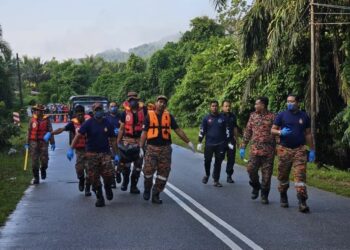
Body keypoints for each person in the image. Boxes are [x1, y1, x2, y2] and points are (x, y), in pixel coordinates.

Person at [139, 95, 195, 204]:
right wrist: (141, 147)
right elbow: (144, 133)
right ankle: (147, 188)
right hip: (151, 148)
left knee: (163, 173)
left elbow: (178, 130)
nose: (162, 104)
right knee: (148, 171)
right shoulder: (149, 116)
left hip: (165, 149)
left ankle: (156, 194)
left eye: (164, 102)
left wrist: (188, 142)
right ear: (156, 103)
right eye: (160, 102)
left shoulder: (169, 116)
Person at [271, 94, 315, 213]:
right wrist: (280, 132)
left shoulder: (304, 116)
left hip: (299, 150)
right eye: (288, 101)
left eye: (292, 101)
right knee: (283, 175)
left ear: (297, 103)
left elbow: (308, 134)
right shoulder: (282, 115)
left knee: (300, 176)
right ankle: (283, 195)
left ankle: (302, 201)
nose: (289, 103)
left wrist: (312, 150)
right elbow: (272, 129)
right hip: (284, 149)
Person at [69, 103, 118, 207]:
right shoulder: (88, 123)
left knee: (109, 174)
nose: (98, 111)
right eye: (96, 110)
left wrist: (116, 154)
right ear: (93, 111)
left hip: (105, 153)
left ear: (102, 111)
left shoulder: (107, 123)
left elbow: (113, 140)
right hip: (91, 153)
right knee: (93, 177)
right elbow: (78, 136)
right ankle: (100, 197)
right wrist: (71, 148)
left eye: (100, 109)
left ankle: (108, 188)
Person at [44, 105, 92, 196]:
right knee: (80, 169)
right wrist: (51, 133)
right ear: (75, 115)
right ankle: (81, 180)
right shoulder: (73, 124)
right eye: (78, 115)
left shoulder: (89, 122)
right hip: (79, 150)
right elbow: (61, 129)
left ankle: (87, 188)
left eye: (82, 114)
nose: (80, 116)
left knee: (89, 170)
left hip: (90, 149)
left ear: (84, 113)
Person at [240, 97, 276, 204]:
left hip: (268, 151)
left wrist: (279, 146)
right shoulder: (253, 116)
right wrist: (243, 146)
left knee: (267, 175)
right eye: (255, 104)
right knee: (250, 169)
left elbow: (276, 133)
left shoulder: (273, 116)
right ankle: (256, 186)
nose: (255, 106)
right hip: (255, 150)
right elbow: (248, 132)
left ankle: (264, 195)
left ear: (263, 105)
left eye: (257, 104)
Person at [117, 92, 147, 194]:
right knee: (126, 165)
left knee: (138, 166)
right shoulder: (124, 113)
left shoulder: (145, 110)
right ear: (128, 101)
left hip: (140, 142)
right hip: (127, 141)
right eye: (130, 100)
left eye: (134, 99)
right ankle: (125, 181)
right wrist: (118, 143)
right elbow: (121, 129)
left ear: (138, 100)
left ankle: (133, 186)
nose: (132, 101)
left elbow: (147, 127)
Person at [197, 100, 229, 187]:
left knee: (218, 162)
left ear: (218, 107)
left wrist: (228, 142)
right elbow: (202, 130)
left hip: (220, 144)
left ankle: (216, 180)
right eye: (212, 106)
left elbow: (227, 131)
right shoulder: (206, 118)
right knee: (207, 161)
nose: (214, 107)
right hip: (209, 144)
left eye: (216, 106)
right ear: (210, 107)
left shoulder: (222, 118)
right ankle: (207, 175)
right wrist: (200, 141)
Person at [25, 104, 55, 184]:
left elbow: (50, 131)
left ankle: (43, 169)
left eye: (39, 110)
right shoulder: (32, 120)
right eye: (36, 110)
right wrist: (27, 143)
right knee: (34, 161)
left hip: (43, 142)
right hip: (33, 142)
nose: (37, 111)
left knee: (44, 160)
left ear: (42, 111)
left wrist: (52, 142)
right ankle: (36, 177)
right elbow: (29, 131)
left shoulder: (47, 119)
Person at [221, 100, 238, 183]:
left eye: (229, 106)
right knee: (219, 158)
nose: (228, 108)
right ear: (222, 107)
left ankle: (229, 176)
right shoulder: (219, 116)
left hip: (231, 141)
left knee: (231, 159)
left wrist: (237, 139)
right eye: (226, 106)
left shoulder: (233, 116)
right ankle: (215, 175)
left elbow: (235, 128)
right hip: (221, 141)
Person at [106, 101, 121, 187]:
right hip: (109, 141)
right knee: (110, 161)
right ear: (109, 108)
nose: (113, 108)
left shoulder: (121, 116)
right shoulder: (106, 117)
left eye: (115, 106)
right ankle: (112, 180)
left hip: (119, 141)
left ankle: (118, 172)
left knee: (119, 160)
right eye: (111, 106)